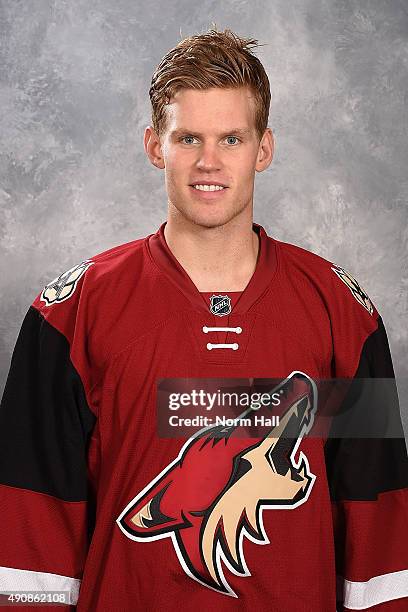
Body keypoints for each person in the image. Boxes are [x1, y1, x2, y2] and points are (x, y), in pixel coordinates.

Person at [0, 26, 407, 612]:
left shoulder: (341, 312)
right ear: (154, 145)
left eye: (231, 139)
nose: (208, 161)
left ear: (263, 148)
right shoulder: (72, 313)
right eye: (187, 137)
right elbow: (29, 535)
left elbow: (380, 535)